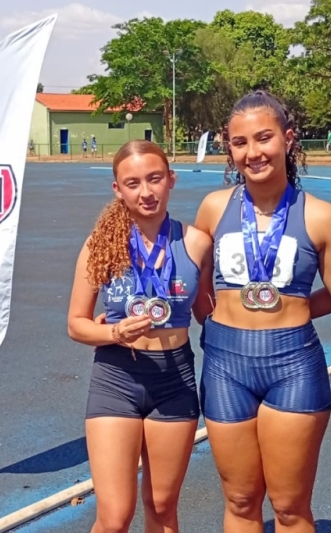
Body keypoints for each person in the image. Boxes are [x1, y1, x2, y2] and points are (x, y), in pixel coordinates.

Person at [193, 91, 331, 532]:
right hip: (225, 364)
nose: (253, 152)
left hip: (293, 365)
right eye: (240, 142)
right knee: (241, 499)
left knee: (288, 506)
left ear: (288, 139)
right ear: (229, 148)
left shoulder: (321, 216)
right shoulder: (213, 208)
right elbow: (192, 282)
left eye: (263, 138)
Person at [67, 139, 214, 533]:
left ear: (171, 179)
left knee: (162, 507)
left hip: (174, 379)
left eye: (155, 179)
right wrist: (113, 331)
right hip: (117, 377)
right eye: (133, 183)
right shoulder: (100, 245)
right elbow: (76, 323)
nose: (146, 192)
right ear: (118, 189)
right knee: (114, 517)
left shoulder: (197, 243)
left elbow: (209, 313)